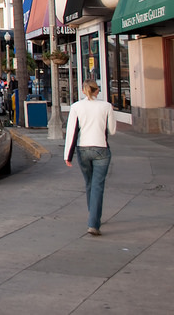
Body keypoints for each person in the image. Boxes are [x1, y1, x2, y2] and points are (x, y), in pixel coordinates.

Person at [64, 79, 117, 236]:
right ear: (97, 91)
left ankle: (93, 213)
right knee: (98, 185)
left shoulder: (76, 107)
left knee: (89, 183)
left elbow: (72, 132)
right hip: (101, 148)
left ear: (83, 91)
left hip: (83, 149)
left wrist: (68, 155)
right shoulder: (106, 106)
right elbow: (112, 130)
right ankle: (94, 222)